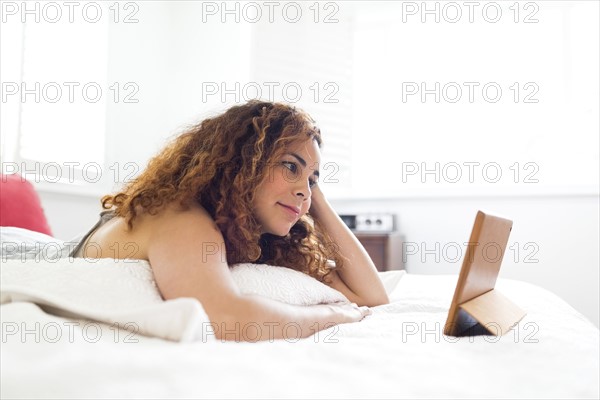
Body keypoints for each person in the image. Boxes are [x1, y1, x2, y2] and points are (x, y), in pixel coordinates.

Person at [71, 100, 389, 341]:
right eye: (291, 166)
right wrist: (330, 315)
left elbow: (372, 297)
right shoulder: (181, 217)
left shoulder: (253, 234)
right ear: (243, 162)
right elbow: (225, 318)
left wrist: (314, 197)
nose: (304, 191)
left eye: (313, 180)